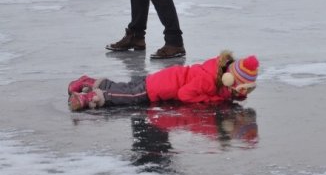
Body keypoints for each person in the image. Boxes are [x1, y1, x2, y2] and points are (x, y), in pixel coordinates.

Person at [67, 52, 259, 111]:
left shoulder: (214, 70)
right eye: (240, 89)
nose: (241, 94)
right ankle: (91, 97)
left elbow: (220, 90)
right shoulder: (209, 81)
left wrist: (228, 95)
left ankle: (88, 81)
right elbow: (185, 94)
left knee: (125, 88)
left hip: (162, 78)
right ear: (229, 79)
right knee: (127, 96)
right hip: (160, 87)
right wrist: (212, 100)